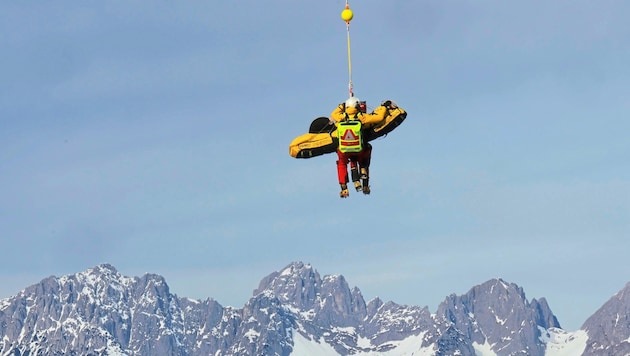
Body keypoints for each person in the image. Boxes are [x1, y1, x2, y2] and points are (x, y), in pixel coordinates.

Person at [330, 96, 390, 198]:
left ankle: (344, 188)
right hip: (359, 149)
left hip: (344, 150)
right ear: (358, 106)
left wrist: (341, 106)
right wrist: (384, 107)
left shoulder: (340, 117)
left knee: (341, 163)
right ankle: (365, 180)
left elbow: (333, 114)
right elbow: (379, 117)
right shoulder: (362, 117)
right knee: (367, 149)